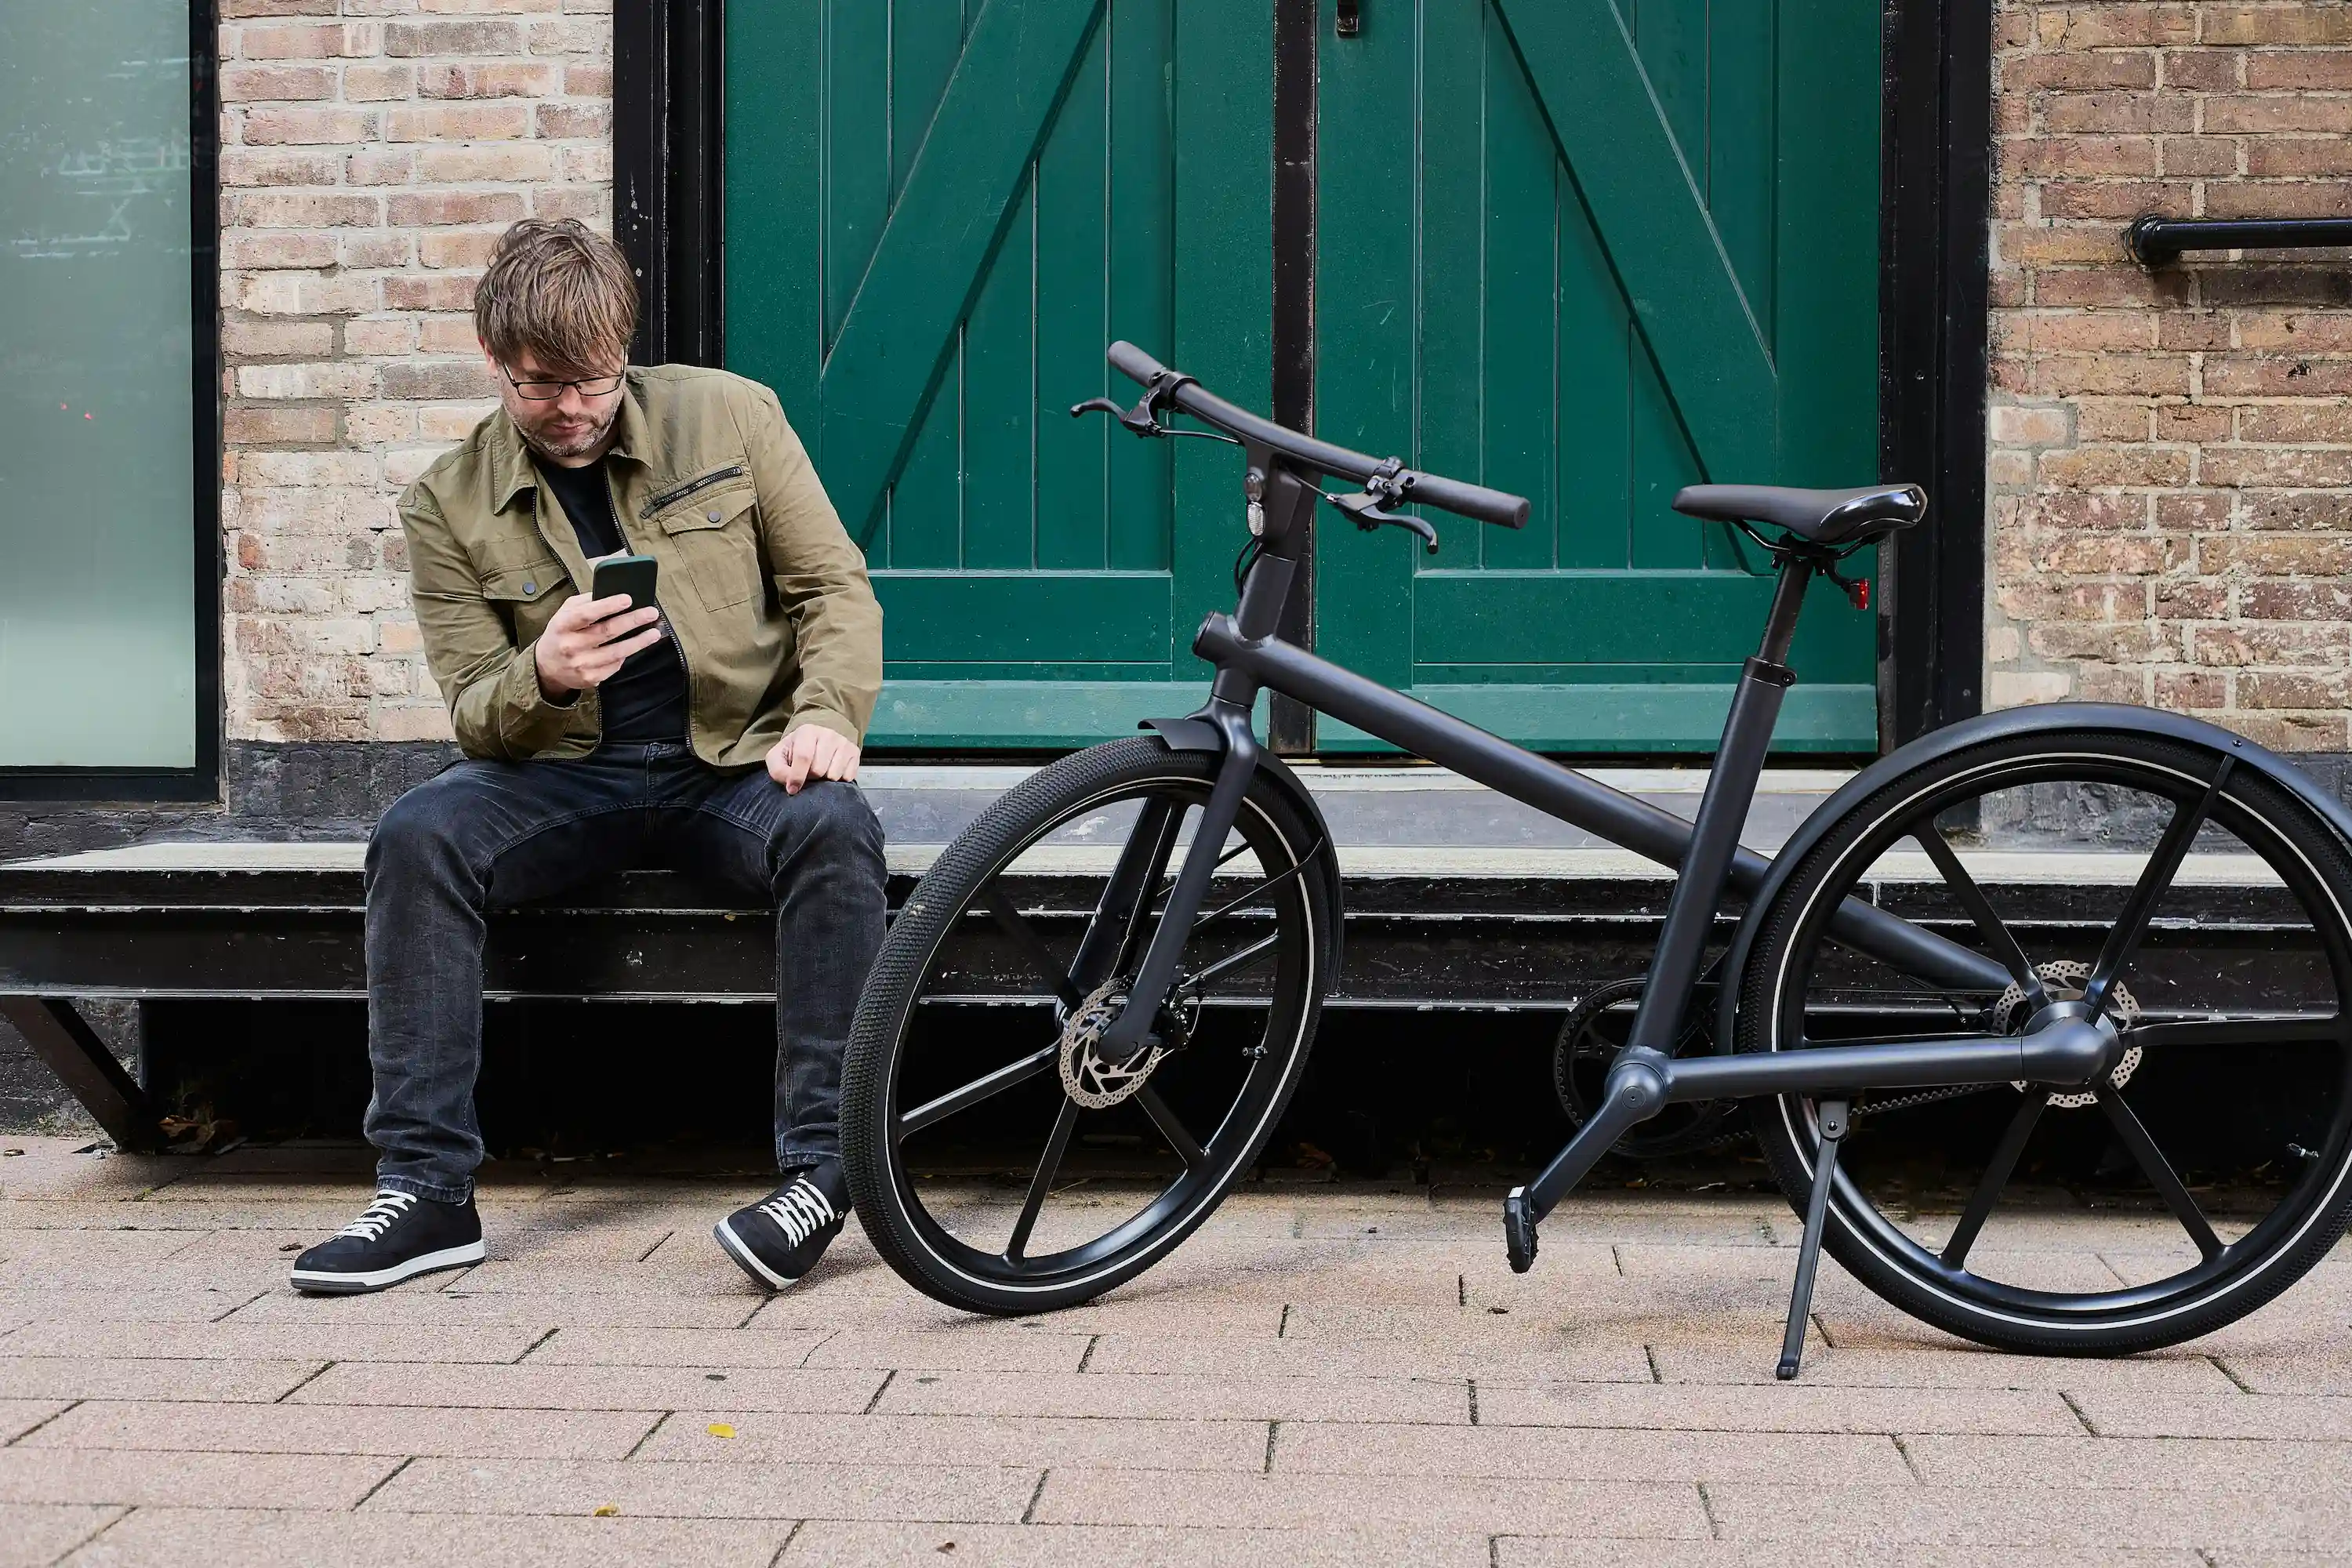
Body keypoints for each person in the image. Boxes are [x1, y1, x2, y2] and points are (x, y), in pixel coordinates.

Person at [289, 219, 885, 1296]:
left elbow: (830, 589)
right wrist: (546, 674)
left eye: (593, 382)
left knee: (836, 827)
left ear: (625, 350)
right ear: (495, 365)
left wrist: (828, 715)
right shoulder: (447, 500)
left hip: (735, 763)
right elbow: (477, 713)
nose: (569, 408)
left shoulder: (731, 414)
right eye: (537, 386)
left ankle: (822, 1175)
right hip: (564, 774)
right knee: (417, 835)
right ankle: (426, 1192)